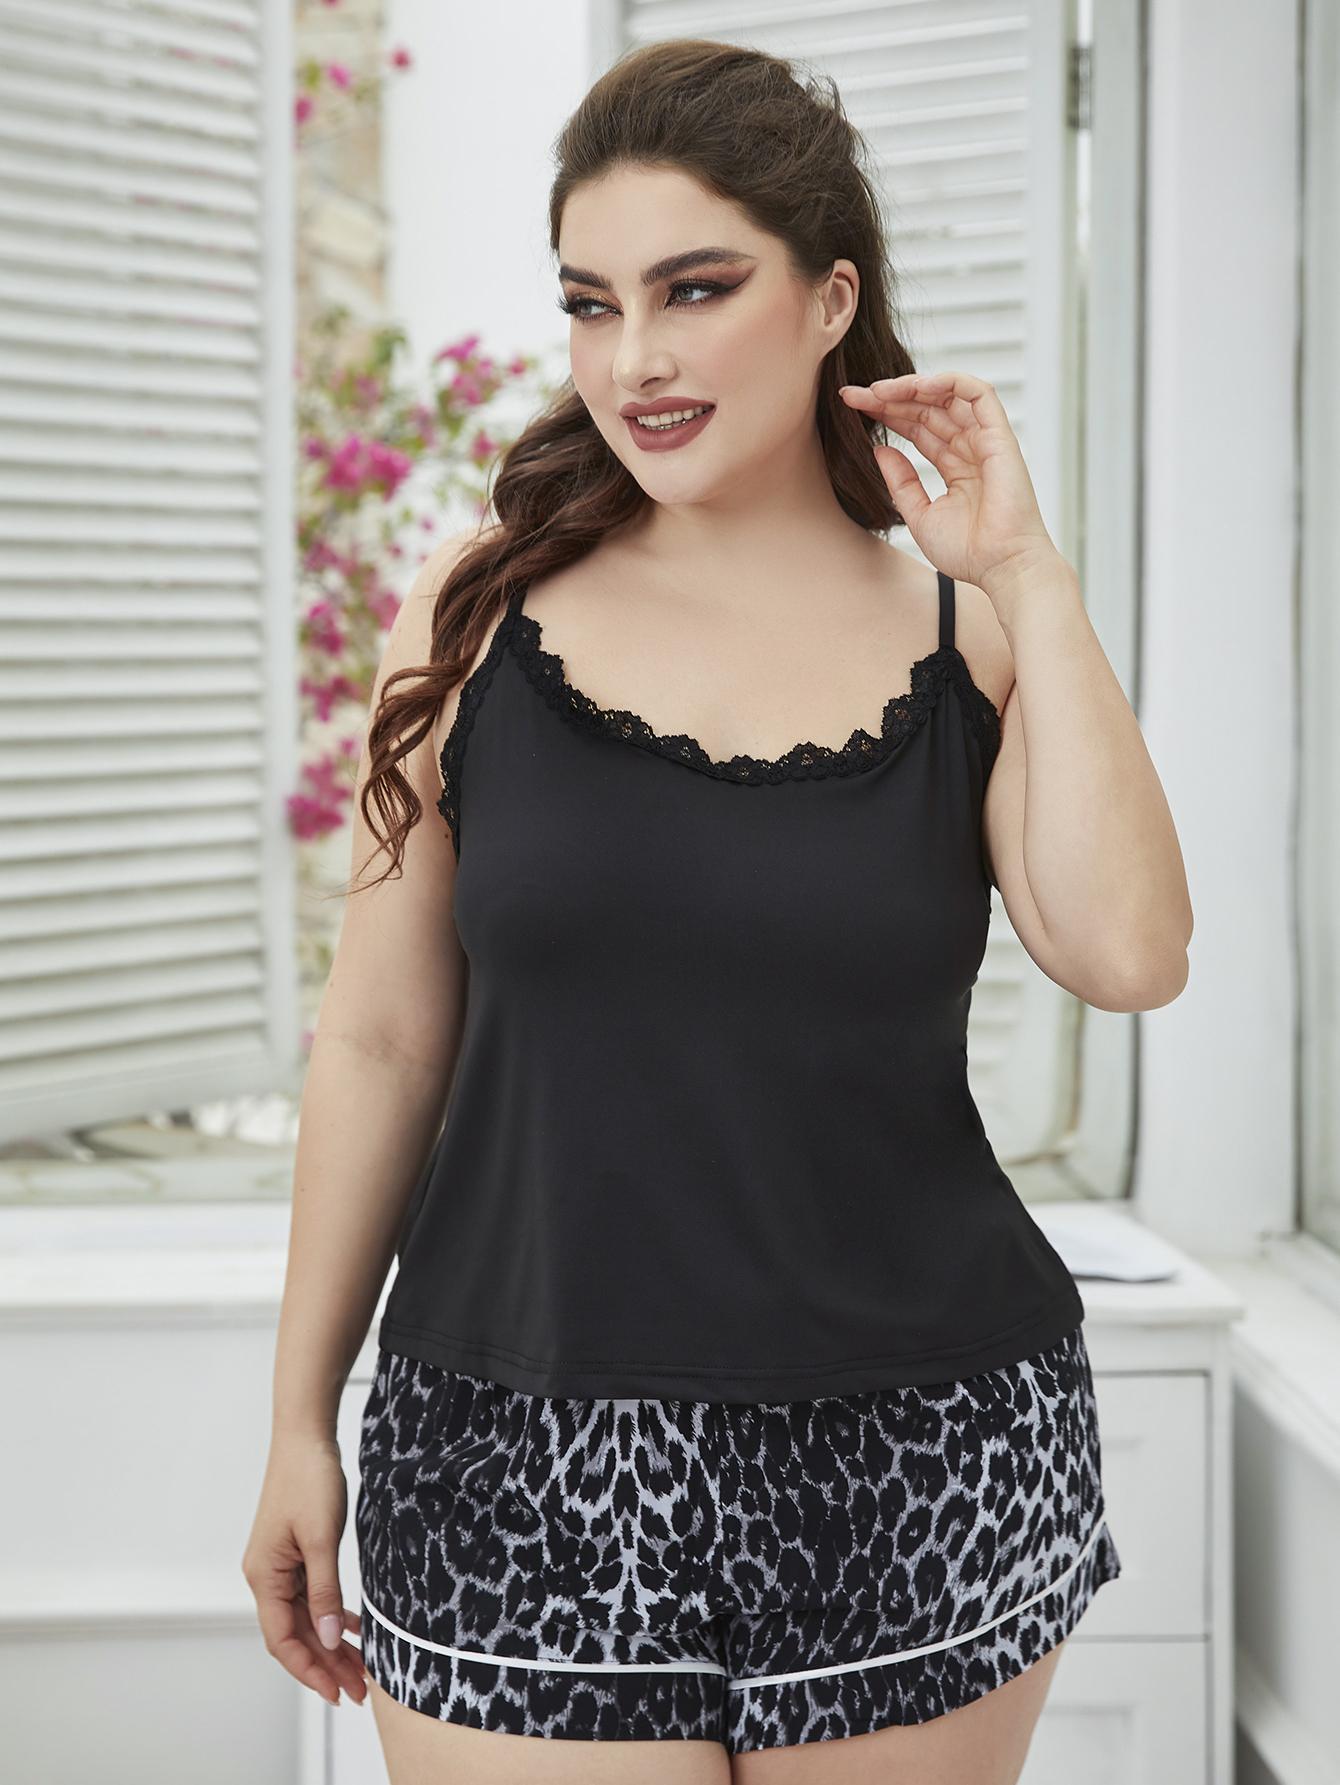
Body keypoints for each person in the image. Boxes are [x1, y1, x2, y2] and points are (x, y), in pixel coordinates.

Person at [243, 36, 1192, 1782]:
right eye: (590, 304)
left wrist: (1029, 574)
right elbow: (379, 1038)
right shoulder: (474, 615)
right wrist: (301, 1414)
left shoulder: (967, 638)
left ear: (833, 300)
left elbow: (1128, 952)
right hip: (512, 1451)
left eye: (695, 289)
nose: (637, 359)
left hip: (923, 1448)